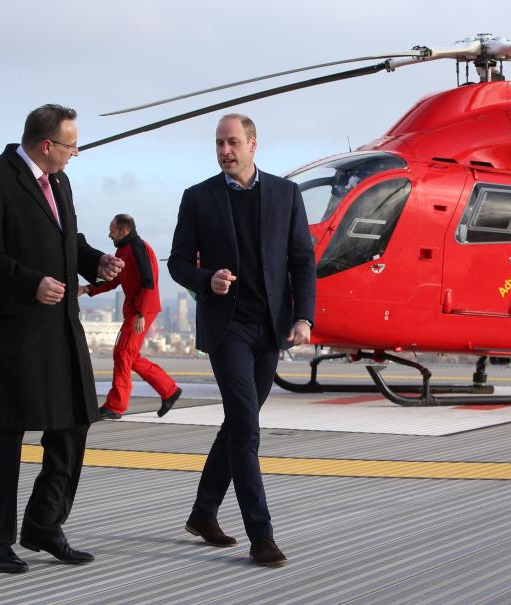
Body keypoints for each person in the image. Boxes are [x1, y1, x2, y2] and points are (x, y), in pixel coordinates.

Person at [0, 104, 124, 574]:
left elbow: (66, 237)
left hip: (60, 329)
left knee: (74, 425)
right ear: (46, 145)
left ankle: (43, 525)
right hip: (12, 332)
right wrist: (29, 281)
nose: (76, 153)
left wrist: (94, 263)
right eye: (72, 145)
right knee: (7, 434)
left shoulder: (60, 181)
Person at [167, 114, 316, 567]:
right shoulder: (198, 198)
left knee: (236, 425)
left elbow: (302, 260)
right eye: (219, 144)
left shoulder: (286, 194)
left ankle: (203, 513)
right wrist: (206, 278)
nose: (225, 151)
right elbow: (176, 262)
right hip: (226, 328)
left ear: (253, 144)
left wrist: (304, 317)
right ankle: (262, 536)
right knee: (247, 429)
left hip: (270, 330)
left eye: (232, 142)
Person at [80, 214, 181, 420]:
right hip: (137, 310)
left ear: (123, 231)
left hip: (141, 311)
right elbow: (114, 279)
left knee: (122, 353)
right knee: (129, 355)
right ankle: (168, 390)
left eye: (112, 230)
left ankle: (116, 406)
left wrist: (141, 314)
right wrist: (87, 289)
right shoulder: (123, 249)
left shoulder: (137, 247)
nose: (109, 234)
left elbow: (148, 281)